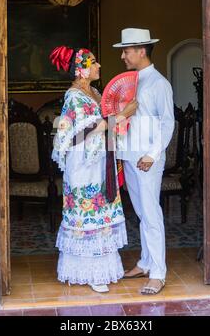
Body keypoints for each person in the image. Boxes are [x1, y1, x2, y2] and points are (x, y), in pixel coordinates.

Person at [50, 46, 138, 293]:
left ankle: (101, 268)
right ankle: (88, 271)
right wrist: (122, 115)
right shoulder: (75, 97)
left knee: (102, 211)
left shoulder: (94, 93)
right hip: (83, 163)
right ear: (82, 69)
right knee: (87, 211)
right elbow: (84, 131)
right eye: (94, 62)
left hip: (99, 161)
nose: (99, 66)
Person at [113, 28, 175, 295]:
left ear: (141, 51)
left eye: (126, 51)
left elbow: (167, 122)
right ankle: (146, 262)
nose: (123, 56)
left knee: (151, 214)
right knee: (140, 212)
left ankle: (158, 272)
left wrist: (152, 155)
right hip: (129, 155)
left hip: (147, 159)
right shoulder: (131, 81)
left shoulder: (159, 83)